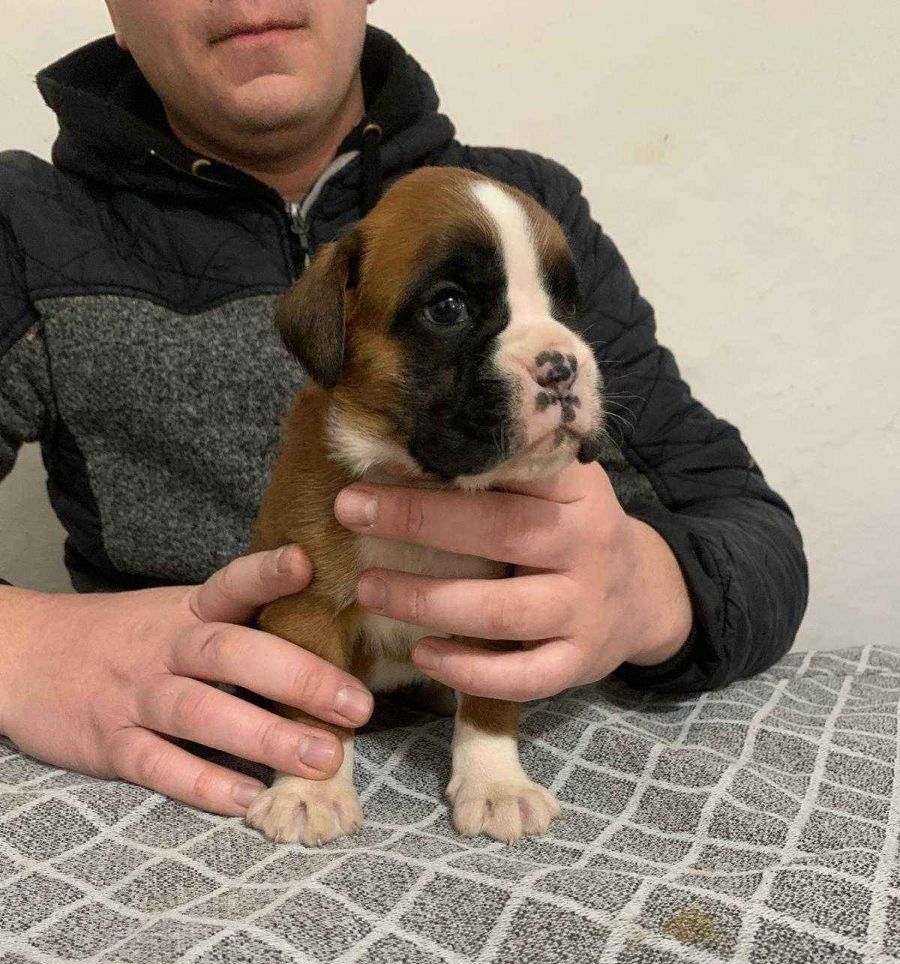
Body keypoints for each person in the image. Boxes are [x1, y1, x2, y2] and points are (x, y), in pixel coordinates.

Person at [0, 1, 808, 818]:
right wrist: (24, 643)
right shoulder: (24, 226)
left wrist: (653, 590)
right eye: (449, 308)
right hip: (164, 779)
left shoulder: (534, 204)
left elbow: (752, 531)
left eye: (557, 306)